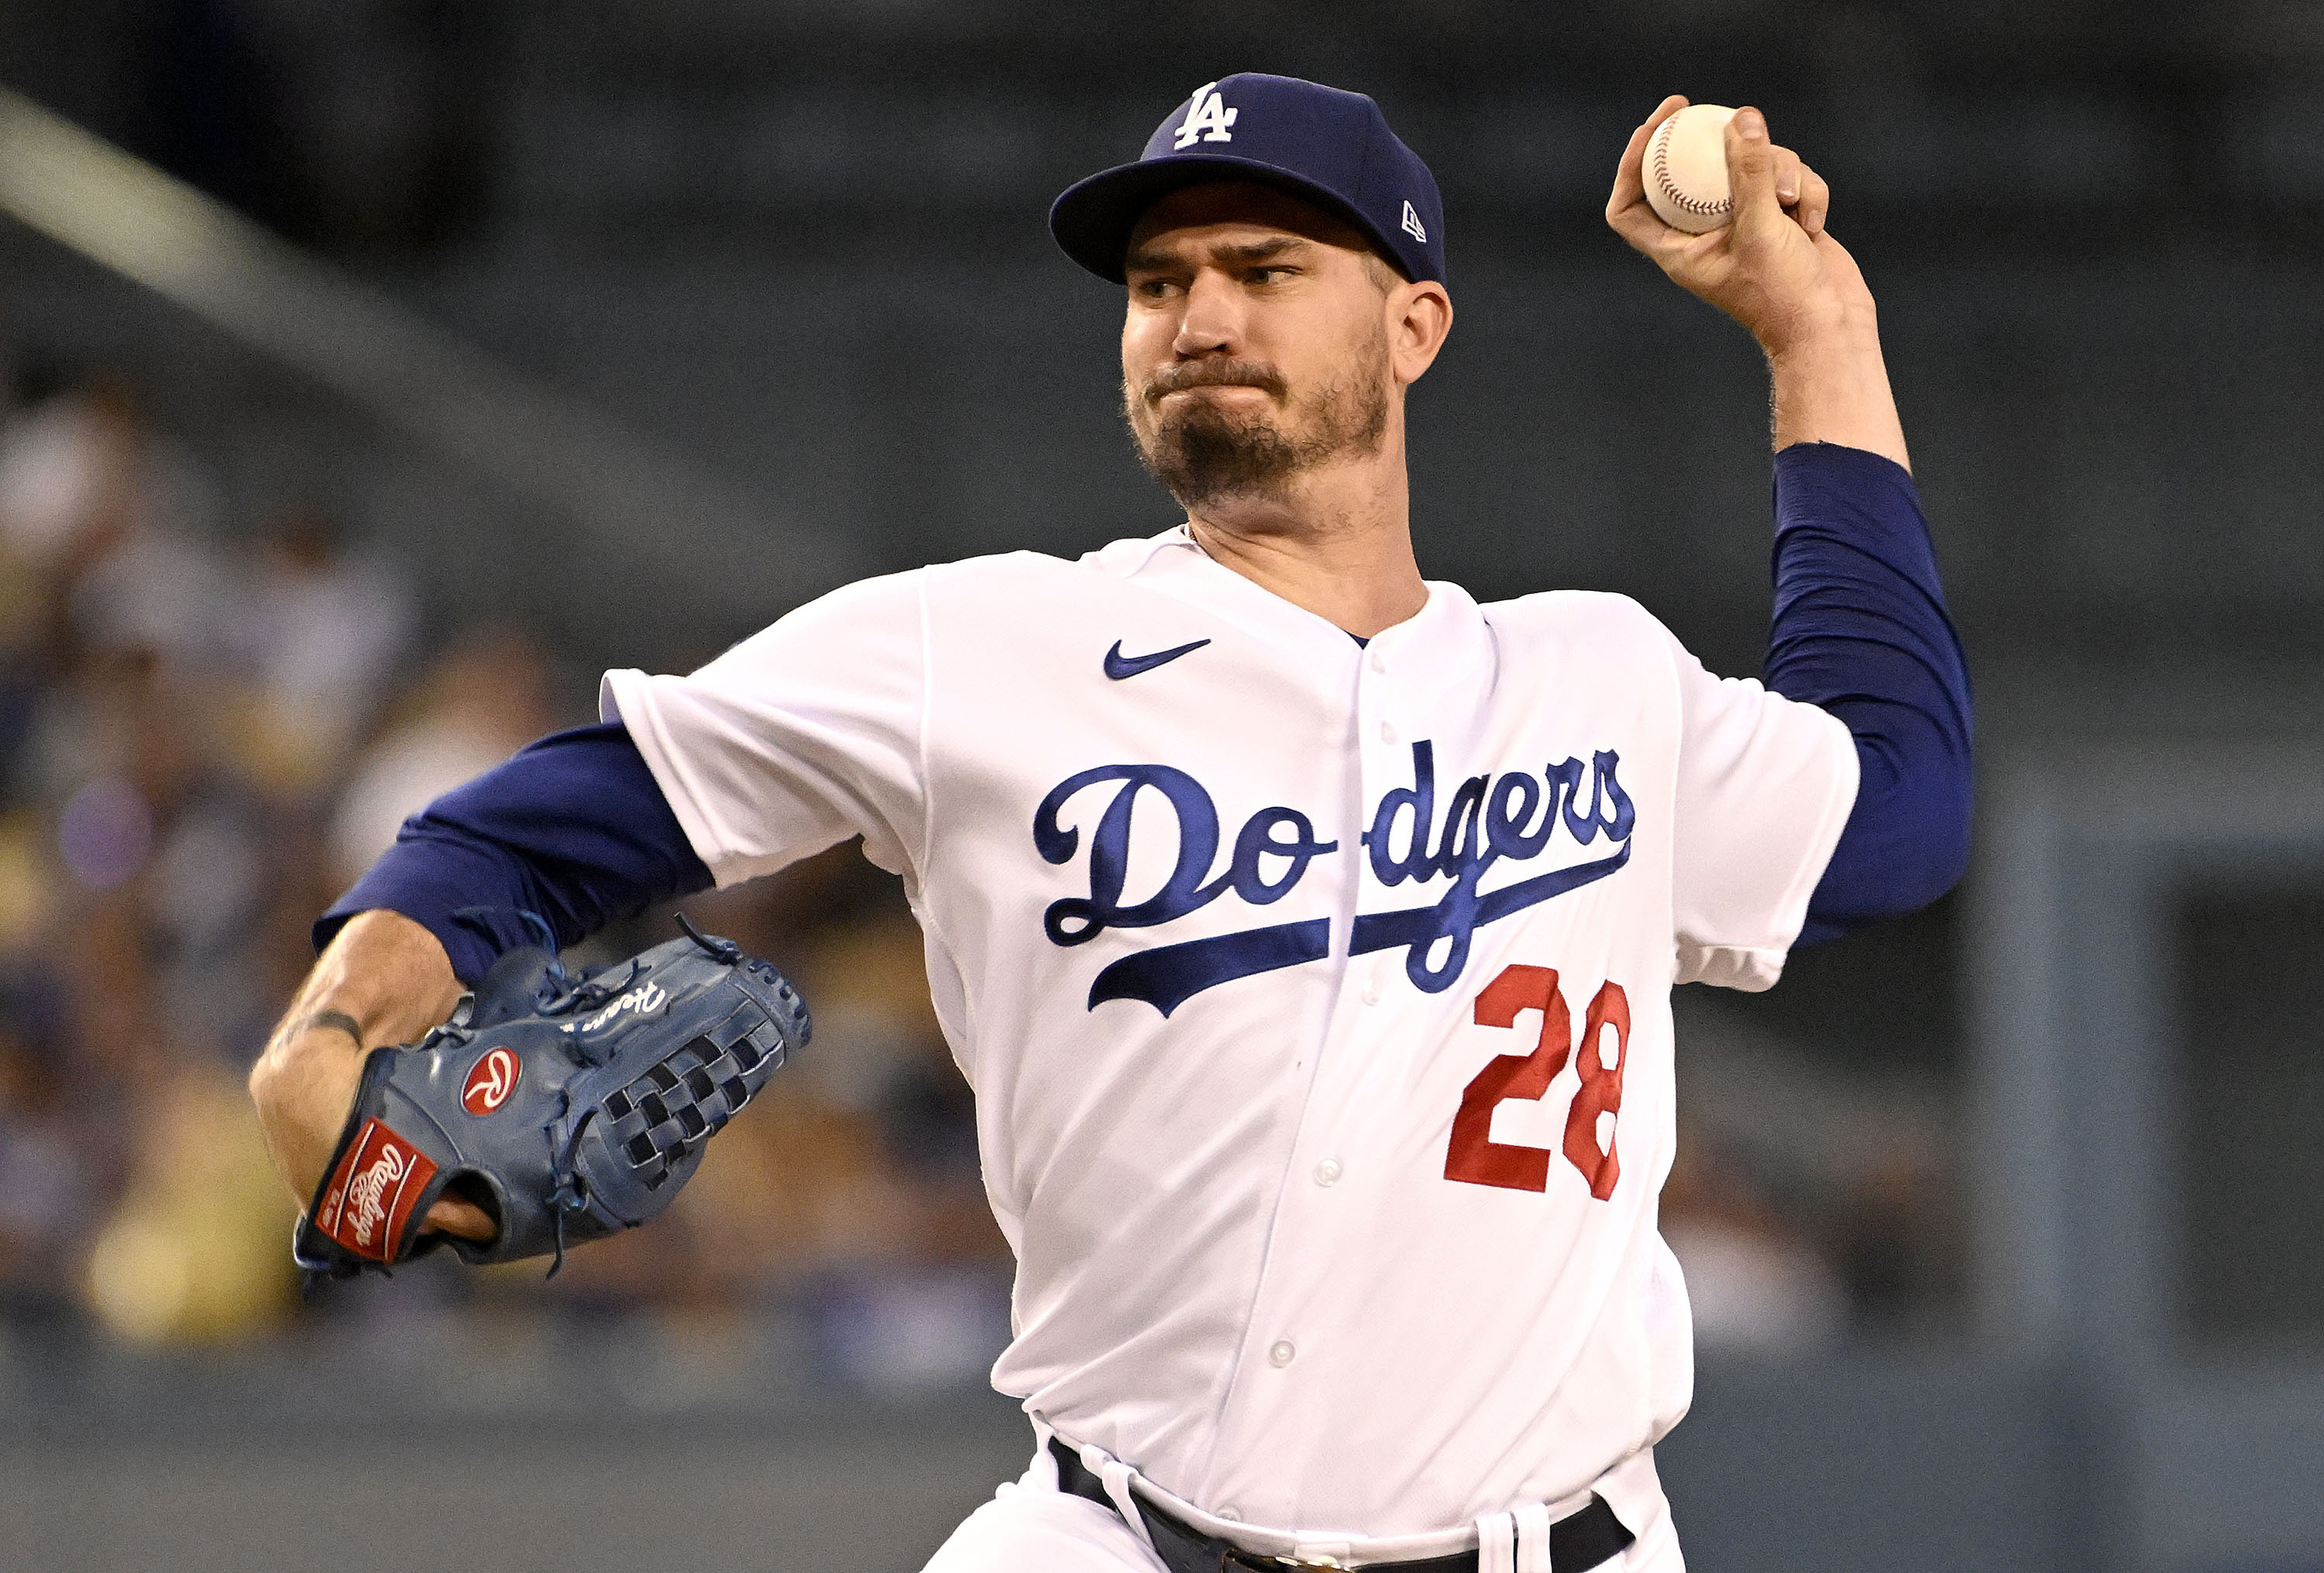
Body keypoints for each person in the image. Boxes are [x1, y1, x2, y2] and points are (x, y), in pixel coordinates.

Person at [249, 77, 1971, 1573]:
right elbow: (545, 821)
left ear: (1415, 326)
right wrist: (337, 1021)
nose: (1199, 312)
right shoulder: (982, 649)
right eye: (1159, 282)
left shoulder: (1595, 676)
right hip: (1114, 1527)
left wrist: (1820, 334)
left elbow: (1895, 812)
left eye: (1265, 269)